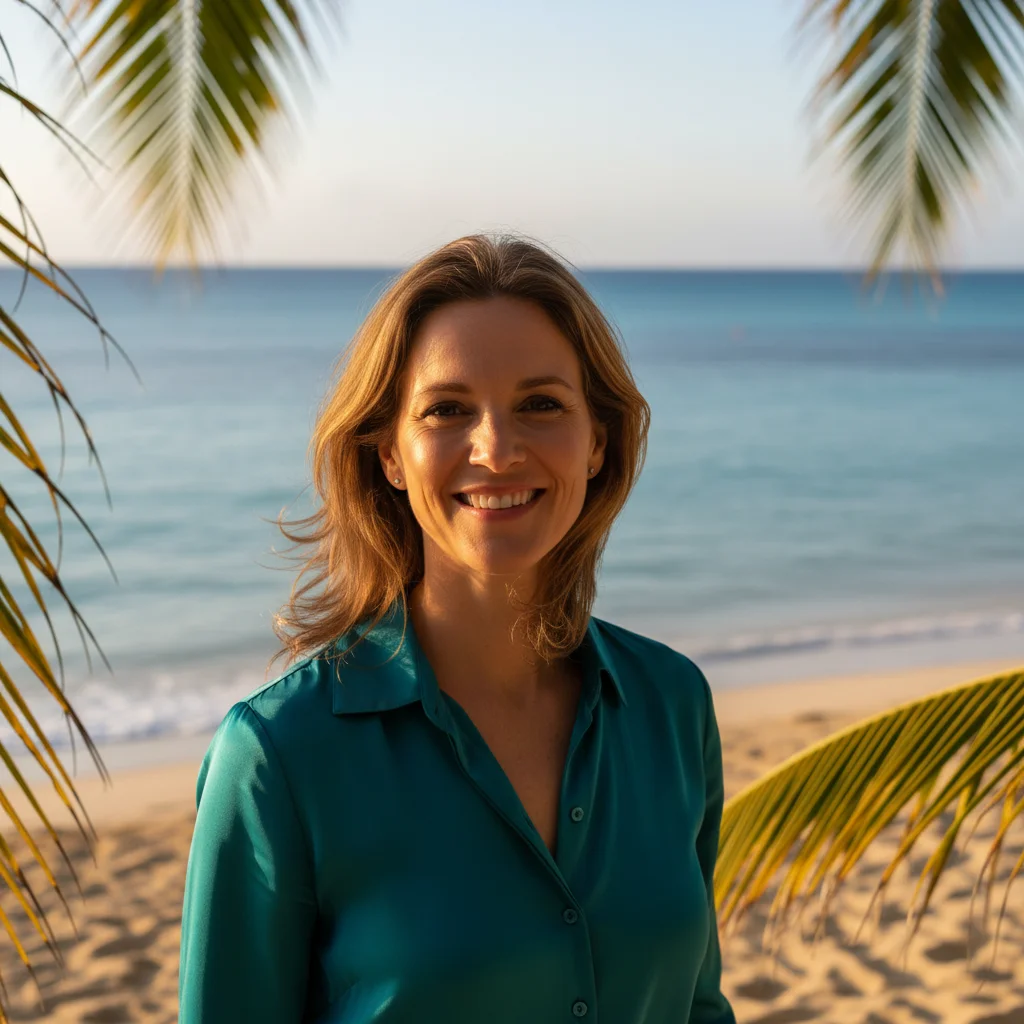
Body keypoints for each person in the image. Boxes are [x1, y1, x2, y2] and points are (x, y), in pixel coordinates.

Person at [178, 234, 736, 1023]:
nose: (497, 449)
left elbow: (696, 1004)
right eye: (447, 409)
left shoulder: (671, 705)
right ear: (391, 456)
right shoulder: (278, 758)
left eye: (541, 404)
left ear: (598, 441)